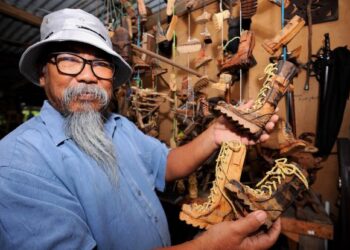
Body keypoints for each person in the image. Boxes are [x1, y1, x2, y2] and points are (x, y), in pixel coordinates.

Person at [0, 8, 280, 250]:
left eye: (100, 64)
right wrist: (208, 246)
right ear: (42, 74)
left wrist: (216, 132)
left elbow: (167, 164)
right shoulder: (17, 164)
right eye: (69, 59)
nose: (87, 75)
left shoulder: (118, 126)